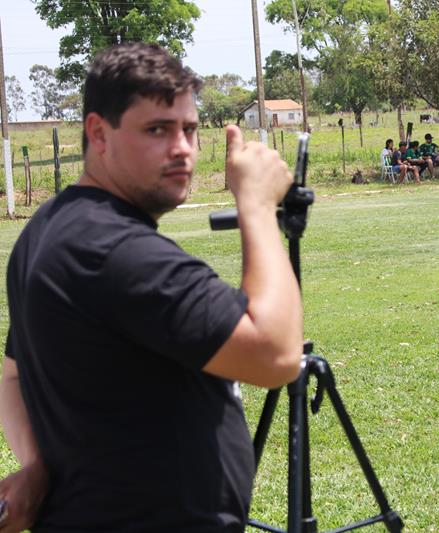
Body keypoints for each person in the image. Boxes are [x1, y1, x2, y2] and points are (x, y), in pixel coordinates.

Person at [0, 43, 304, 532]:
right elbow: (274, 355)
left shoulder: (51, 226)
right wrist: (255, 205)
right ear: (98, 133)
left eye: (188, 129)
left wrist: (37, 468)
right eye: (157, 130)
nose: (182, 147)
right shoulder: (115, 251)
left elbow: (12, 376)